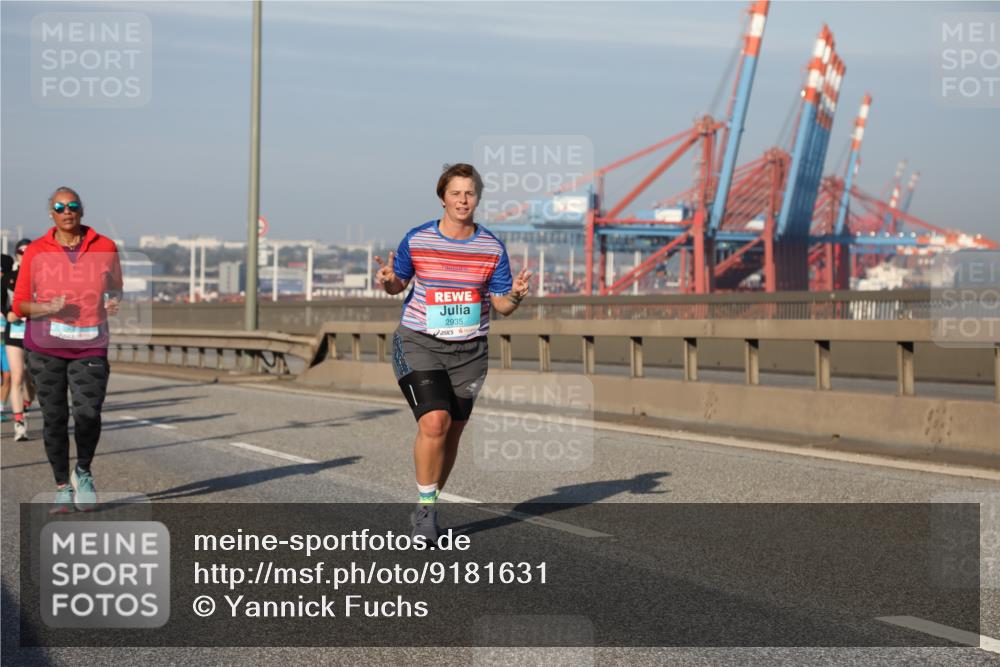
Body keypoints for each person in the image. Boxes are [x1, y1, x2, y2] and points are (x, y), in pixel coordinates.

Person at [374, 163, 531, 543]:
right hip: (419, 342)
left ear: (477, 198)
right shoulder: (419, 239)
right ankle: (426, 512)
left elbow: (501, 305)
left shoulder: (491, 247)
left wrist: (515, 297)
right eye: (456, 193)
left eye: (470, 193)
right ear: (442, 196)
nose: (463, 200)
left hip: (470, 352)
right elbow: (398, 284)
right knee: (435, 423)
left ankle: (427, 502)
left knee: (452, 433)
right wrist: (388, 280)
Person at [12, 187, 122, 513]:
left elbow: (115, 286)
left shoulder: (106, 247)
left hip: (90, 344)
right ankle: (61, 486)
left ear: (81, 210)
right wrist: (46, 307)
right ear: (52, 213)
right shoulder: (35, 251)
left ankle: (83, 471)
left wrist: (113, 300)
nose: (66, 211)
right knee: (55, 418)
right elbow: (19, 305)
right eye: (59, 207)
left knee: (88, 413)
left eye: (72, 205)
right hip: (45, 347)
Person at [4, 239, 36, 440]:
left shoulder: (43, 278)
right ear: (16, 255)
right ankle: (19, 424)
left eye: (28, 252)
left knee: (34, 381)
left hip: (36, 334)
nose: (24, 256)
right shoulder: (8, 278)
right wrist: (10, 314)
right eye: (21, 252)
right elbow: (3, 305)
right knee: (16, 377)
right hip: (15, 332)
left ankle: (25, 406)